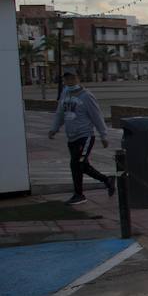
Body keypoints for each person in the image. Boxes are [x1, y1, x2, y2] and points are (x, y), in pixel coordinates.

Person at [47, 70, 115, 205]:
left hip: (85, 136)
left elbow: (97, 116)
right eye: (66, 79)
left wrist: (104, 135)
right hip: (71, 137)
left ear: (78, 78)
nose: (69, 81)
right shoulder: (65, 94)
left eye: (72, 78)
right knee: (81, 165)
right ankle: (107, 180)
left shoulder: (87, 96)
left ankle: (79, 195)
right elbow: (60, 113)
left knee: (76, 164)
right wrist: (54, 129)